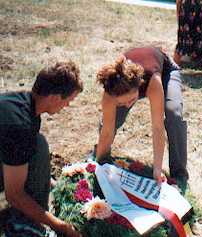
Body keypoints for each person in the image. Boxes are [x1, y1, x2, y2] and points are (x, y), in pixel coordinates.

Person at [0, 61, 83, 236]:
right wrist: (60, 226)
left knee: (38, 144)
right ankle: (25, 223)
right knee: (38, 146)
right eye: (67, 101)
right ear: (54, 97)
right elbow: (14, 195)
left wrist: (57, 185)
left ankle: (29, 213)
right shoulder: (20, 126)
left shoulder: (24, 104)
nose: (66, 106)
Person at [96, 46, 188, 185]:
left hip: (165, 72)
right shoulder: (111, 91)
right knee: (110, 121)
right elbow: (107, 130)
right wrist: (99, 166)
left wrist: (157, 169)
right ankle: (103, 157)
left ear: (139, 86)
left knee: (173, 115)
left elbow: (157, 127)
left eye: (131, 100)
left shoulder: (153, 82)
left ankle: (179, 174)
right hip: (133, 78)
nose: (128, 105)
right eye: (122, 102)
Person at [174, 0, 202, 72]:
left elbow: (178, 1)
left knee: (183, 39)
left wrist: (178, 13)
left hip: (186, 10)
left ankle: (174, 65)